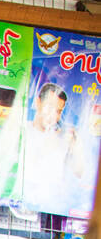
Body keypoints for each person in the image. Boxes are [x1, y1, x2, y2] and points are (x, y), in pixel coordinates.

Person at [21, 83, 91, 214]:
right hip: (21, 203)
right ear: (38, 103)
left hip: (51, 209)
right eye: (49, 107)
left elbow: (79, 172)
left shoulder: (64, 138)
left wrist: (76, 147)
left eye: (58, 111)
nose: (53, 115)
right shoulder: (23, 130)